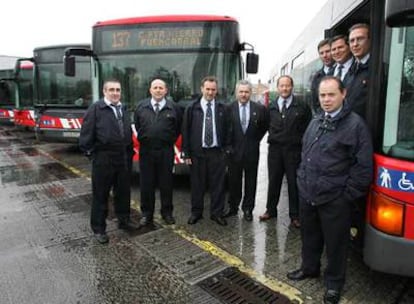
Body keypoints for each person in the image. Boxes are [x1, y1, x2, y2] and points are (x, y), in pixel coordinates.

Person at [287, 76, 373, 304]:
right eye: (322, 95)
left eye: (331, 94)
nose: (326, 99)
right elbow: (305, 152)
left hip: (335, 199)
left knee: (336, 245)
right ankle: (309, 268)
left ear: (343, 94)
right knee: (310, 237)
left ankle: (334, 284)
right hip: (308, 194)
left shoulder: (355, 125)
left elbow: (363, 168)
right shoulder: (316, 120)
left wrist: (346, 197)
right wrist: (300, 179)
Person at [79, 78, 136, 244]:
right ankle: (99, 229)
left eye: (118, 90)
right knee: (101, 195)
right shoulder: (96, 109)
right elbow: (86, 136)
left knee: (123, 192)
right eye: (111, 90)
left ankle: (124, 220)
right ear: (104, 92)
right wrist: (93, 155)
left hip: (123, 158)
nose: (115, 93)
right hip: (103, 159)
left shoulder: (123, 108)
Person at [259, 75, 312, 228]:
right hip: (275, 151)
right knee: (273, 181)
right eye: (281, 86)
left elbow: (307, 129)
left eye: (287, 85)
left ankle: (295, 215)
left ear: (292, 87)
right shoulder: (271, 107)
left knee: (293, 183)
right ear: (278, 87)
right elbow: (263, 126)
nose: (284, 88)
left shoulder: (301, 106)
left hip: (294, 151)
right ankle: (270, 210)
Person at [181, 76, 231, 226]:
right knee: (197, 185)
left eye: (213, 89)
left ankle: (217, 213)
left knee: (218, 185)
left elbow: (228, 130)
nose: (210, 92)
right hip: (197, 153)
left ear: (217, 91)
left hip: (217, 153)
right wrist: (186, 153)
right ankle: (196, 213)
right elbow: (186, 131)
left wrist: (227, 151)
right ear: (202, 89)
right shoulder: (192, 108)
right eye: (207, 89)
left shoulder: (223, 108)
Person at [134, 78, 182, 226]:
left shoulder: (173, 107)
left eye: (161, 88)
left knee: (166, 184)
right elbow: (137, 124)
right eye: (155, 87)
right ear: (150, 90)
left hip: (165, 151)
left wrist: (167, 139)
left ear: (166, 90)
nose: (158, 90)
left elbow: (178, 127)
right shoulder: (141, 107)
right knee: (146, 184)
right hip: (146, 151)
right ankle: (146, 214)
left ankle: (167, 213)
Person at [223, 80, 269, 221]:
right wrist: (228, 147)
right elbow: (224, 130)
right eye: (241, 92)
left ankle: (248, 209)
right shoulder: (228, 109)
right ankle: (233, 208)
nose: (243, 94)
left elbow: (263, 127)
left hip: (251, 152)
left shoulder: (259, 109)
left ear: (250, 92)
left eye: (246, 92)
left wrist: (255, 140)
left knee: (251, 182)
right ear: (237, 93)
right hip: (234, 152)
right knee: (234, 182)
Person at [346, 23, 371, 117]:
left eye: (360, 39)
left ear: (369, 40)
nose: (355, 44)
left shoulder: (380, 69)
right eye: (352, 41)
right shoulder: (350, 70)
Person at [310, 38, 335, 114]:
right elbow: (315, 103)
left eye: (328, 51)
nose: (325, 55)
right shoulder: (316, 77)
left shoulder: (341, 72)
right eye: (321, 53)